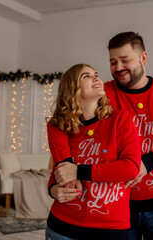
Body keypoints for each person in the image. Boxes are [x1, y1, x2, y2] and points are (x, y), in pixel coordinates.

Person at [54, 32, 153, 239]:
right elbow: (63, 121)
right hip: (115, 207)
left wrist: (147, 162)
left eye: (125, 60)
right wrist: (63, 171)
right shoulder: (102, 93)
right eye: (113, 62)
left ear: (143, 58)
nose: (118, 68)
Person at [46, 63, 141, 240]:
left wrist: (78, 171)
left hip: (110, 230)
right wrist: (52, 190)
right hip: (62, 228)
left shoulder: (120, 120)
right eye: (86, 76)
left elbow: (130, 168)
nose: (96, 77)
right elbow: (58, 174)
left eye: (96, 74)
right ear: (72, 88)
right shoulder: (61, 127)